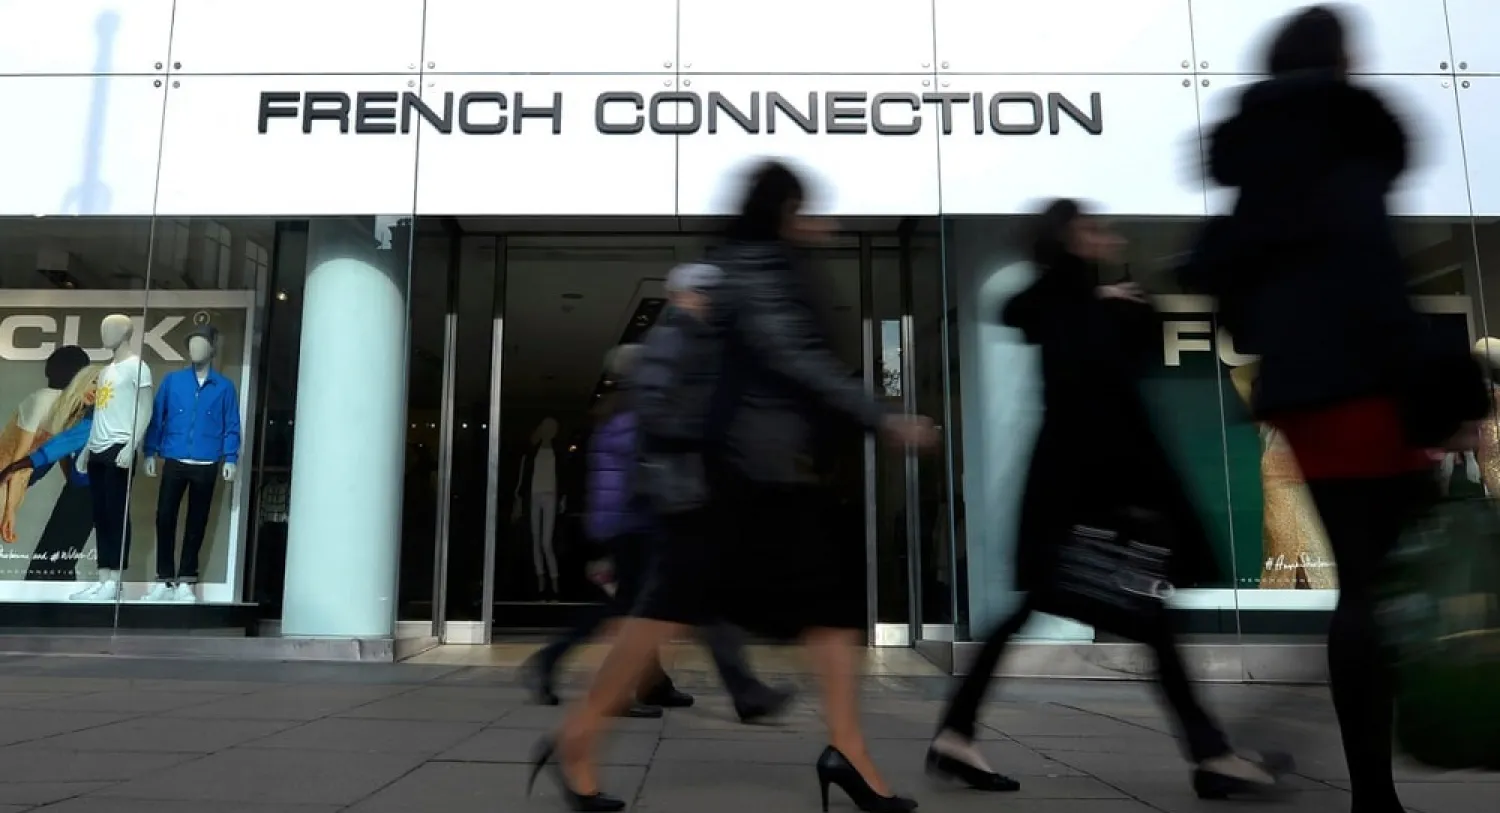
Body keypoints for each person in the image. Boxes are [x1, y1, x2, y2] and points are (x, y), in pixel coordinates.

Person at [528, 159, 937, 812]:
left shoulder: (754, 267)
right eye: (808, 209)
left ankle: (846, 748)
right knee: (676, 610)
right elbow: (793, 357)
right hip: (743, 479)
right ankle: (578, 736)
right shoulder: (759, 269)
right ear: (782, 212)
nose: (822, 223)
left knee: (800, 607)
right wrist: (882, 414)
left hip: (752, 475)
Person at [1179, 7, 1488, 812]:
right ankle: (1381, 778)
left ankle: (1360, 781)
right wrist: (1444, 388)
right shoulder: (1343, 141)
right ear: (1339, 59)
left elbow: (1222, 275)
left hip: (1306, 398)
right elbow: (1373, 274)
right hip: (1369, 388)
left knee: (1368, 581)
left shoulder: (1259, 164)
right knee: (1392, 584)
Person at [929, 199, 1288, 801]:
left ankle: (957, 733)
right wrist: (1135, 502)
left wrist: (1111, 310)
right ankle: (1212, 755)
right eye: (1094, 229)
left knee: (1113, 618)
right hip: (1095, 501)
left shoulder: (1073, 305)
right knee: (1148, 621)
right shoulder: (1076, 308)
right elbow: (1097, 406)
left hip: (1073, 496)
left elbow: (1049, 332)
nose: (1108, 237)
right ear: (1069, 238)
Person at [521, 343, 790, 722]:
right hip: (641, 528)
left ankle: (650, 682)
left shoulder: (621, 412)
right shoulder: (636, 416)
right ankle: (738, 694)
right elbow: (656, 471)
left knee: (646, 610)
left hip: (634, 527)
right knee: (675, 609)